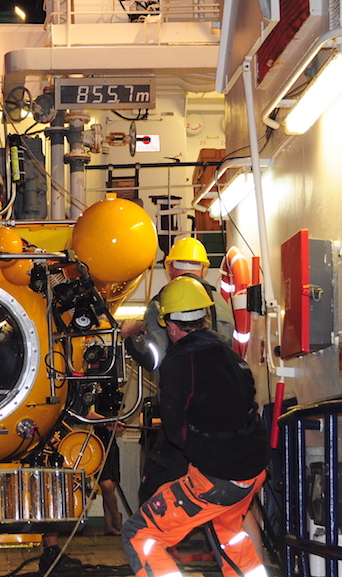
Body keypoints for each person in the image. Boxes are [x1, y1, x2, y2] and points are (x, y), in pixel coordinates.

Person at [120, 276, 269, 577]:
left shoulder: (179, 363)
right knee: (230, 535)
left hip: (216, 478)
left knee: (140, 533)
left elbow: (177, 432)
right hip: (252, 471)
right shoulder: (230, 356)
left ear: (171, 326)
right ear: (205, 317)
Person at [120, 236, 234, 504]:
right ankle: (220, 543)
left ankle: (160, 543)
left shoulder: (164, 303)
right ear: (204, 269)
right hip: (223, 415)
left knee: (157, 492)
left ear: (170, 268)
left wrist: (129, 336)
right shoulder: (222, 306)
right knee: (218, 490)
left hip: (183, 412)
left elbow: (153, 358)